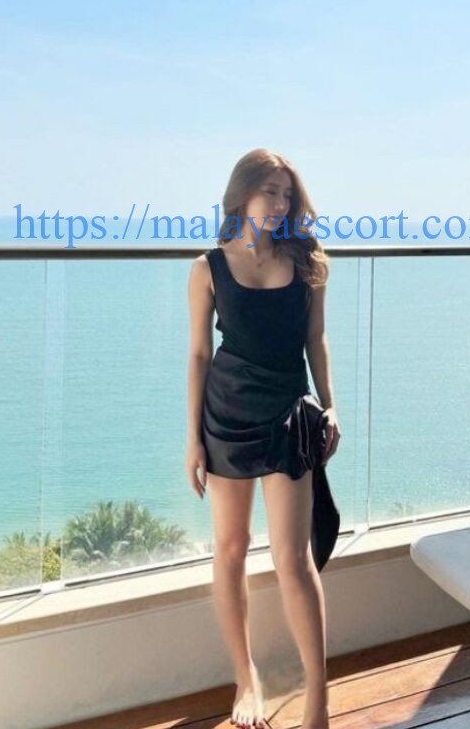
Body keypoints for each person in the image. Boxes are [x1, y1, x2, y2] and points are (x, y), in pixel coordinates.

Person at [185, 148, 341, 729]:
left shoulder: (307, 261)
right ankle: (245, 679)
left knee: (293, 559)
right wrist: (192, 440)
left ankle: (318, 700)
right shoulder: (208, 268)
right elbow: (199, 355)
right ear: (242, 194)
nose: (279, 203)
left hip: (287, 416)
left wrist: (330, 404)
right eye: (270, 191)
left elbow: (316, 340)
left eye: (286, 194)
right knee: (230, 549)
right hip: (225, 415)